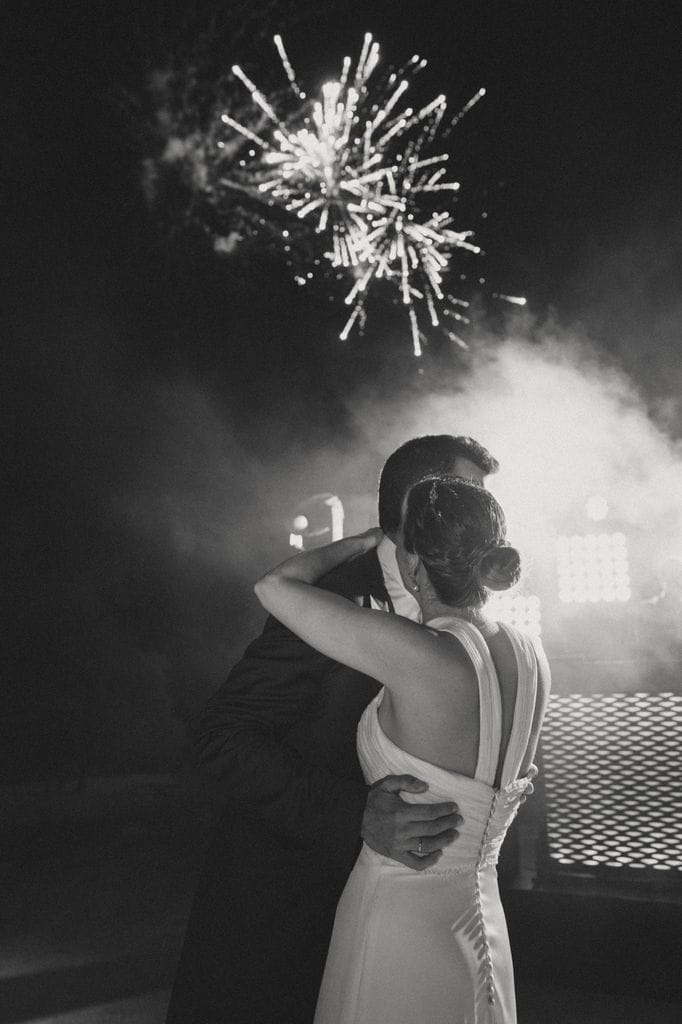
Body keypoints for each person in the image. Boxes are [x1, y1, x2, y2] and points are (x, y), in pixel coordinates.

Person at [166, 435, 499, 1024]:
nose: (482, 515)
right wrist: (355, 816)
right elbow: (224, 734)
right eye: (465, 494)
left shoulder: (478, 621)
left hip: (412, 909)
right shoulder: (333, 596)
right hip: (287, 906)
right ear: (410, 513)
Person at [256, 477, 551, 1024]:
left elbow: (275, 586)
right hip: (481, 911)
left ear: (414, 565)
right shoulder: (530, 654)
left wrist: (362, 541)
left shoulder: (415, 651)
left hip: (398, 909)